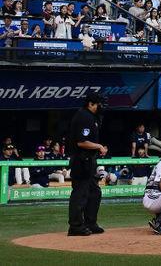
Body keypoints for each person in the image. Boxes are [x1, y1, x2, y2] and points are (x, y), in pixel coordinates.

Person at [67, 92, 107, 236]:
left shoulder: (91, 117)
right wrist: (99, 146)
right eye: (99, 104)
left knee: (94, 192)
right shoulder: (84, 116)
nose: (101, 107)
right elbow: (82, 142)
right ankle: (76, 226)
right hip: (81, 160)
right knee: (80, 193)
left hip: (89, 161)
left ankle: (91, 223)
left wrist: (98, 148)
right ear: (91, 104)